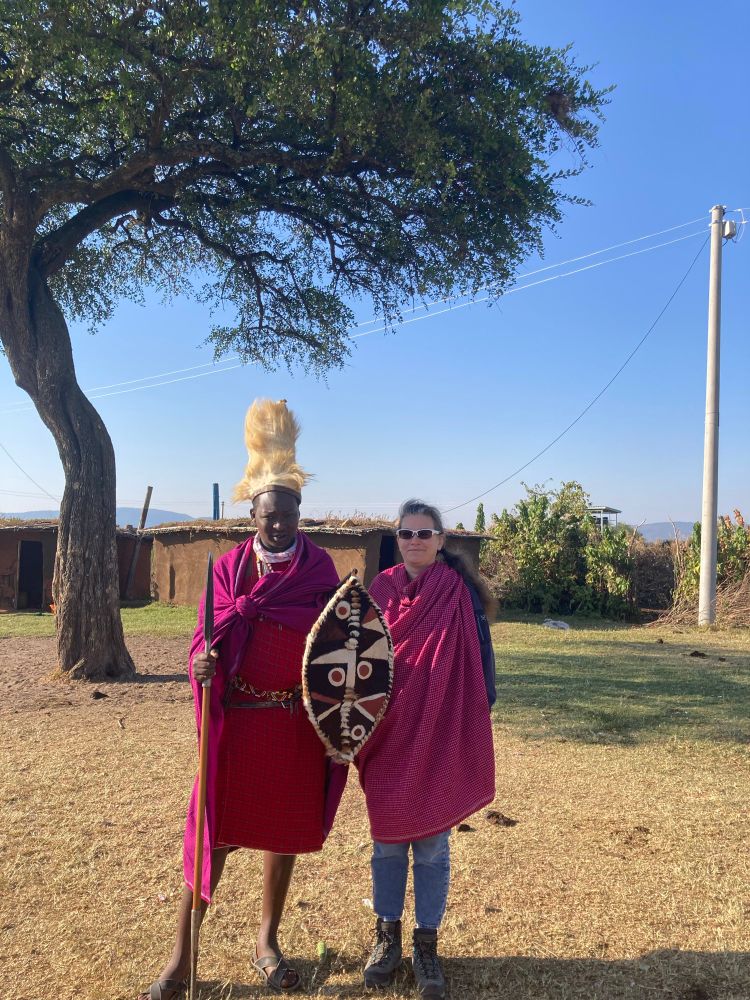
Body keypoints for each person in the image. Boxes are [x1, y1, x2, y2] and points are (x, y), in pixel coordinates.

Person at [140, 400, 342, 999]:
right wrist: (199, 664)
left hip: (293, 725)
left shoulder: (320, 570)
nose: (279, 525)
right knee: (213, 833)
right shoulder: (227, 570)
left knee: (282, 835)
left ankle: (267, 942)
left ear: (300, 514)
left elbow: (341, 642)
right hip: (239, 726)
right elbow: (208, 635)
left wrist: (338, 723)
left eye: (288, 515)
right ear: (252, 514)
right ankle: (181, 956)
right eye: (268, 515)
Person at [356, 499, 496, 999]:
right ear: (398, 540)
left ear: (440, 540)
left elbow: (480, 664)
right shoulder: (379, 592)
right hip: (386, 736)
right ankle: (386, 940)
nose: (414, 540)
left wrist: (471, 718)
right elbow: (355, 662)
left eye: (424, 533)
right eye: (406, 533)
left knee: (433, 848)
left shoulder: (456, 594)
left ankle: (426, 945)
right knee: (388, 843)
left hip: (437, 731)